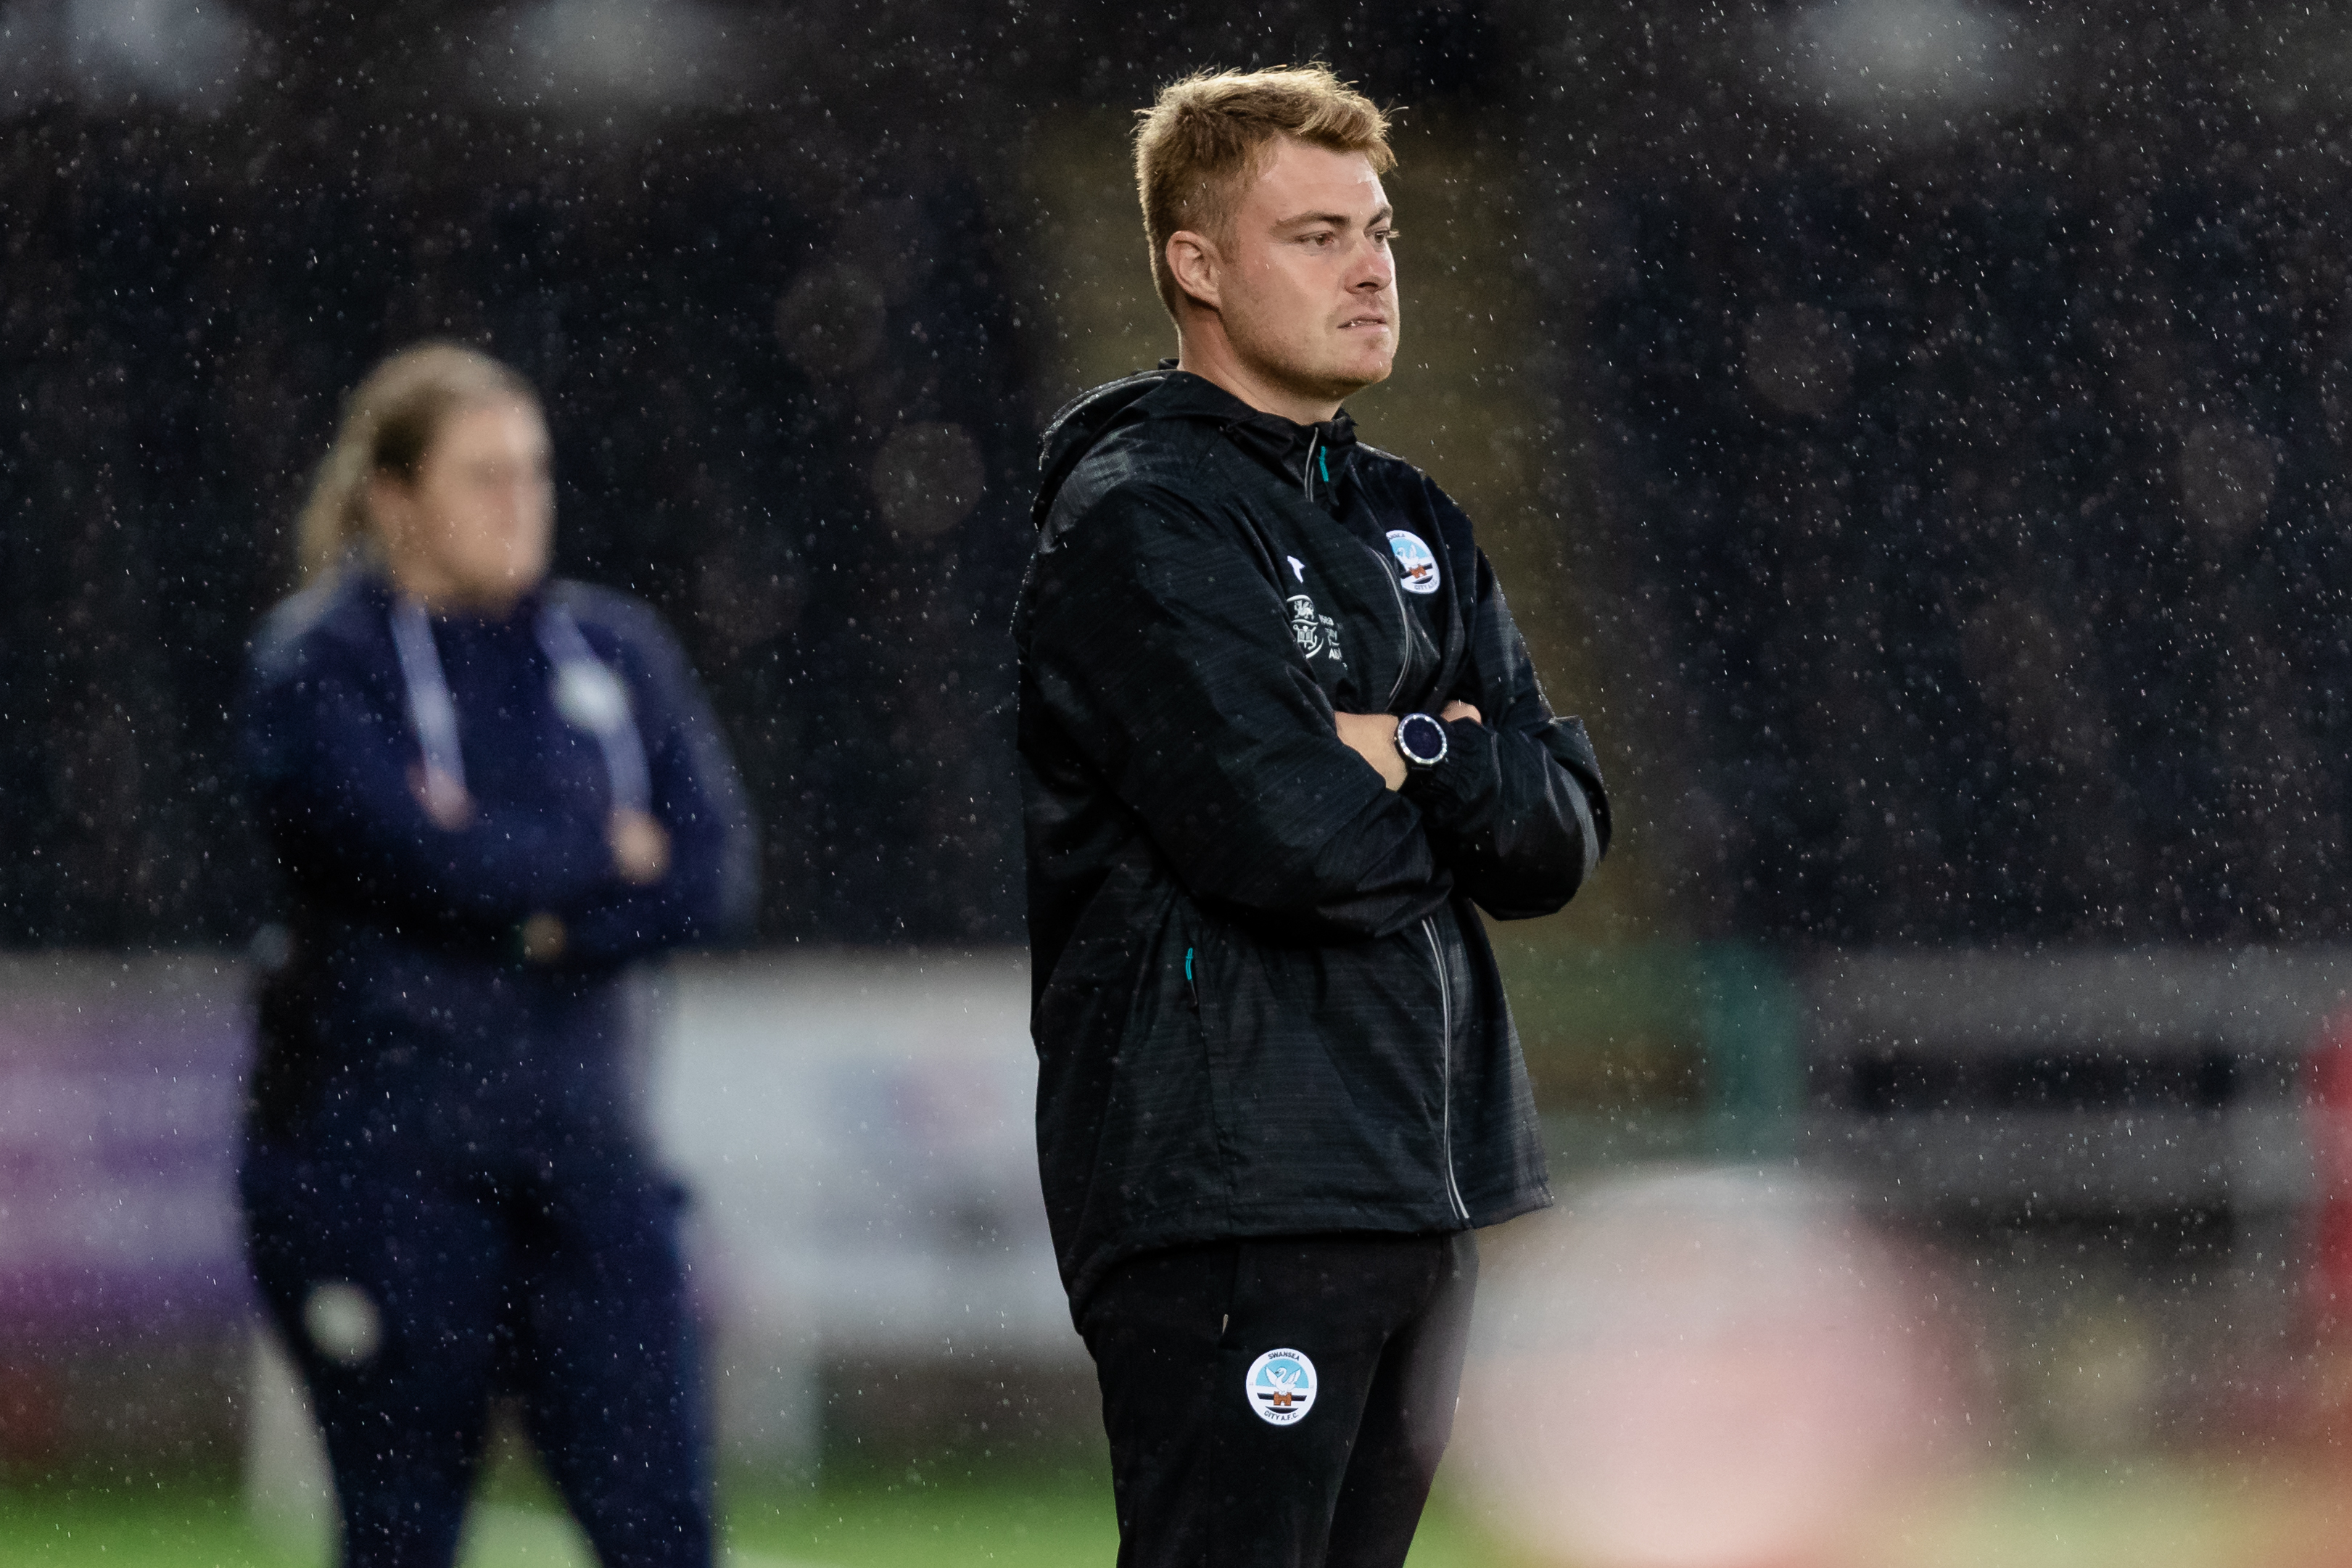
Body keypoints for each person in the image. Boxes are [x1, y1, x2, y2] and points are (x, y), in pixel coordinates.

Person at [1012, 67, 1612, 1567]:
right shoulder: (1140, 518)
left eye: (1381, 231)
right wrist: (1452, 767)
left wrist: (1395, 742)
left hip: (1414, 1169)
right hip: (1229, 1182)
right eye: (1315, 235)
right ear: (1193, 266)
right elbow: (1289, 841)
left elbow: (1556, 838)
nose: (1368, 268)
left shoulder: (1413, 519)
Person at [238, 342, 755, 1568]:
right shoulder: (321, 664)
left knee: (663, 1530)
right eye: (483, 476)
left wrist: (525, 899)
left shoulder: (614, 653)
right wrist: (597, 850)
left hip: (590, 1168)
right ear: (393, 499)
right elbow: (414, 861)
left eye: (533, 472)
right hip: (385, 1173)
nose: (520, 501)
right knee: (404, 1529)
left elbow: (709, 872)